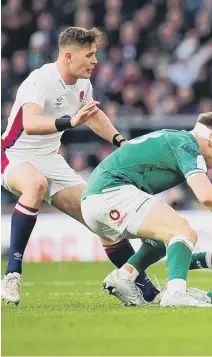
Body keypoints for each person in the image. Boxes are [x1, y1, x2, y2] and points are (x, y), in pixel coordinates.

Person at [0, 27, 159, 305]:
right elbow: (31, 123)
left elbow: (93, 115)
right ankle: (12, 275)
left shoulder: (83, 83)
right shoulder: (39, 81)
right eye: (90, 55)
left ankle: (142, 288)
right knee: (34, 185)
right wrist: (69, 122)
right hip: (14, 154)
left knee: (101, 218)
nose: (95, 61)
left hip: (51, 158)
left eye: (95, 54)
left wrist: (121, 141)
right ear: (69, 56)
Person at [80, 112, 212, 307]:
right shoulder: (187, 145)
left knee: (161, 240)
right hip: (109, 193)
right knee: (183, 232)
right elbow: (207, 196)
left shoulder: (176, 139)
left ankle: (124, 276)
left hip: (95, 199)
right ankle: (176, 294)